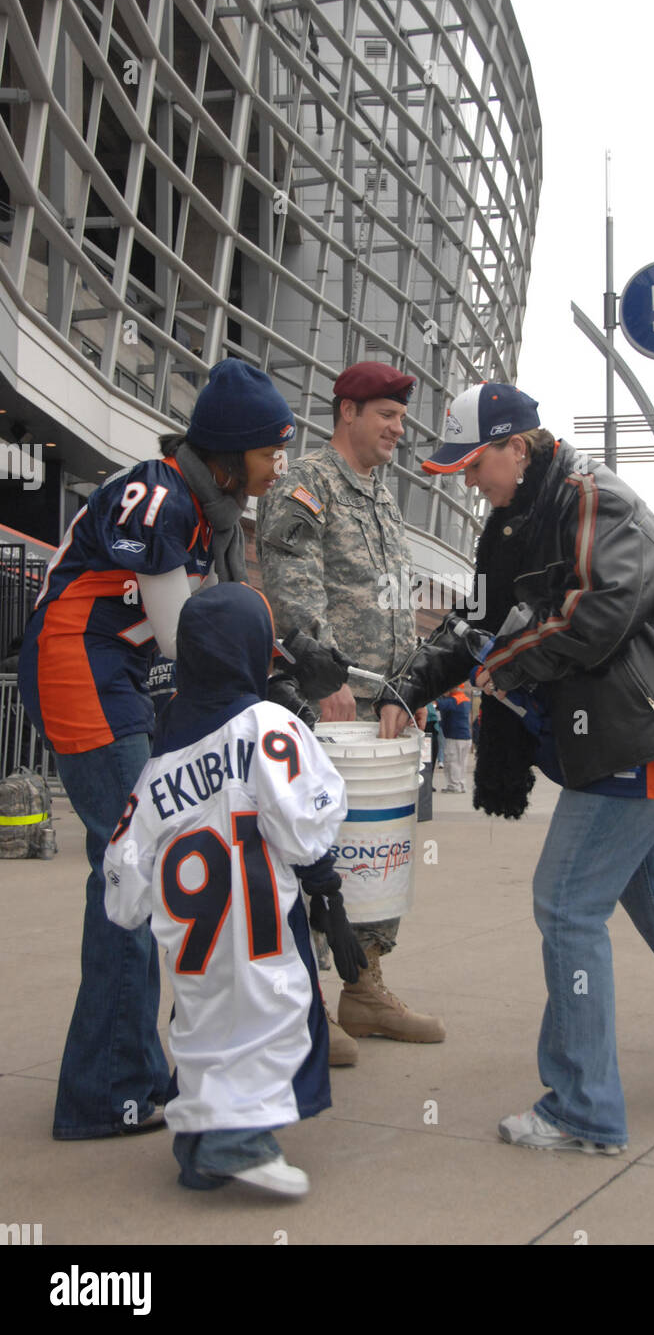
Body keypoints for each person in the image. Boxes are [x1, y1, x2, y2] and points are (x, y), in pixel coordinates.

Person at [379, 383, 654, 1153]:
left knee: (566, 905)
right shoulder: (524, 514)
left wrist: (498, 670)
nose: (469, 482)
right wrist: (411, 685)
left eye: (475, 464)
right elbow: (476, 620)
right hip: (636, 729)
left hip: (637, 730)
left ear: (519, 445)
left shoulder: (589, 498)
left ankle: (583, 1108)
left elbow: (596, 614)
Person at [17, 359, 316, 1139]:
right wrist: (273, 683)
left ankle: (128, 1072)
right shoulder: (163, 495)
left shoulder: (207, 507)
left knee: (133, 865)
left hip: (115, 674)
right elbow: (192, 639)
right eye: (270, 450)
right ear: (229, 450)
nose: (278, 465)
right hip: (80, 666)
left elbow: (212, 632)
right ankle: (104, 1088)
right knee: (130, 864)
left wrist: (282, 662)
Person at [104, 584, 362, 1195]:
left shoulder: (155, 769)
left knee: (201, 1035)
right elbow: (306, 830)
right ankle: (237, 1144)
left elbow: (122, 894)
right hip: (263, 934)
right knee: (272, 1028)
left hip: (194, 956)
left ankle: (197, 1148)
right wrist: (329, 897)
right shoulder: (267, 725)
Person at [257, 360, 444, 1051]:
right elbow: (294, 587)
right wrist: (321, 676)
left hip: (383, 712)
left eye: (400, 415)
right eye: (386, 415)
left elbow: (395, 602)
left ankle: (364, 991)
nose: (398, 428)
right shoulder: (308, 484)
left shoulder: (380, 497)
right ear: (347, 412)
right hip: (331, 707)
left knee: (378, 856)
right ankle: (302, 1007)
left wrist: (408, 687)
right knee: (318, 856)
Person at [436, 683, 472, 792]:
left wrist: (439, 695)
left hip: (454, 737)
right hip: (465, 737)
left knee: (452, 762)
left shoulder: (454, 700)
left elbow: (439, 705)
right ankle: (461, 785)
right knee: (462, 763)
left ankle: (453, 786)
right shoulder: (465, 699)